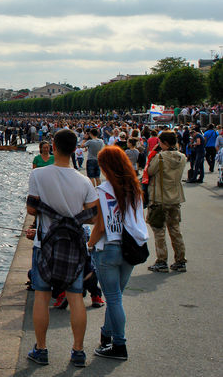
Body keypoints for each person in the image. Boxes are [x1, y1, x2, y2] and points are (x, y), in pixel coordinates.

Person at [26, 129, 99, 367]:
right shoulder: (84, 180)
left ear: (53, 147)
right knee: (76, 297)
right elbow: (93, 214)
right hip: (74, 247)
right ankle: (78, 351)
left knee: (42, 296)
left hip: (45, 243)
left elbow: (31, 209)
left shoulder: (38, 174)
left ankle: (41, 349)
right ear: (74, 149)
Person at [86, 146, 148, 361]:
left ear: (106, 167)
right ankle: (107, 335)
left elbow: (100, 226)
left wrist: (89, 244)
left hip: (109, 249)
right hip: (130, 248)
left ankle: (119, 345)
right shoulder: (135, 189)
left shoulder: (103, 190)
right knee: (117, 298)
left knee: (113, 298)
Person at [146, 130, 188, 273]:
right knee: (175, 229)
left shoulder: (160, 157)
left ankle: (162, 260)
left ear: (164, 143)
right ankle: (180, 260)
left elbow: (150, 171)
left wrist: (153, 154)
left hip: (160, 197)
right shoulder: (182, 157)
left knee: (159, 231)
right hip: (175, 197)